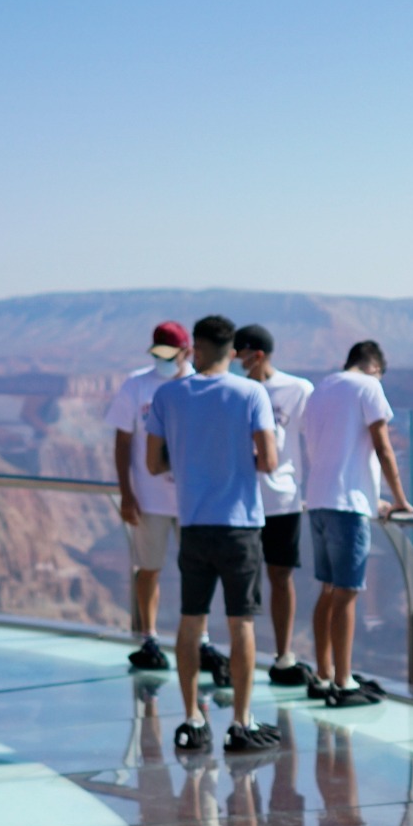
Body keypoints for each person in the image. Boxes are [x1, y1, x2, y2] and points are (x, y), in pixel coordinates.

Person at [145, 314, 283, 754]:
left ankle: (191, 717)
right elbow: (270, 460)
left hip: (194, 523)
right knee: (241, 621)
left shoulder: (168, 395)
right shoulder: (251, 392)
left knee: (191, 620)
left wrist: (188, 459)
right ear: (232, 351)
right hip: (240, 523)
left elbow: (153, 463)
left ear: (197, 350)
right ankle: (241, 722)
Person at [296, 340, 413, 706]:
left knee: (328, 589)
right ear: (374, 367)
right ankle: (344, 683)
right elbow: (382, 445)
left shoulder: (319, 390)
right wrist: (399, 499)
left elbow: (326, 448)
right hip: (347, 507)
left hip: (319, 499)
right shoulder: (368, 387)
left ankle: (323, 673)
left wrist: (367, 491)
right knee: (346, 593)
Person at [233, 323, 319, 688]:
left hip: (282, 498)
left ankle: (283, 656)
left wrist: (313, 488)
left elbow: (314, 440)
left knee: (280, 577)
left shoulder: (297, 390)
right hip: (240, 498)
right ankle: (242, 657)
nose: (237, 361)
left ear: (259, 354)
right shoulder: (235, 391)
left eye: (242, 354)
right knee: (241, 581)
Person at [108, 321, 190, 672]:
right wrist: (126, 493)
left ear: (187, 352)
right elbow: (122, 442)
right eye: (157, 355)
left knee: (195, 571)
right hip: (149, 498)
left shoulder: (198, 386)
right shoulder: (137, 385)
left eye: (169, 356)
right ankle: (150, 636)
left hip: (192, 500)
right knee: (149, 569)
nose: (162, 362)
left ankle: (195, 637)